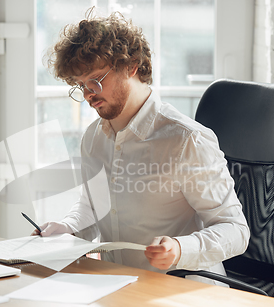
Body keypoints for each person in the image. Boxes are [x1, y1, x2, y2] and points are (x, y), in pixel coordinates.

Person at [32, 9, 249, 283]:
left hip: (183, 288)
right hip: (117, 285)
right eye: (80, 85)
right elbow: (92, 207)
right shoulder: (94, 138)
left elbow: (236, 230)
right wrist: (67, 229)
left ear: (131, 66)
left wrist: (182, 249)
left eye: (96, 80)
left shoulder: (185, 140)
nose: (88, 94)